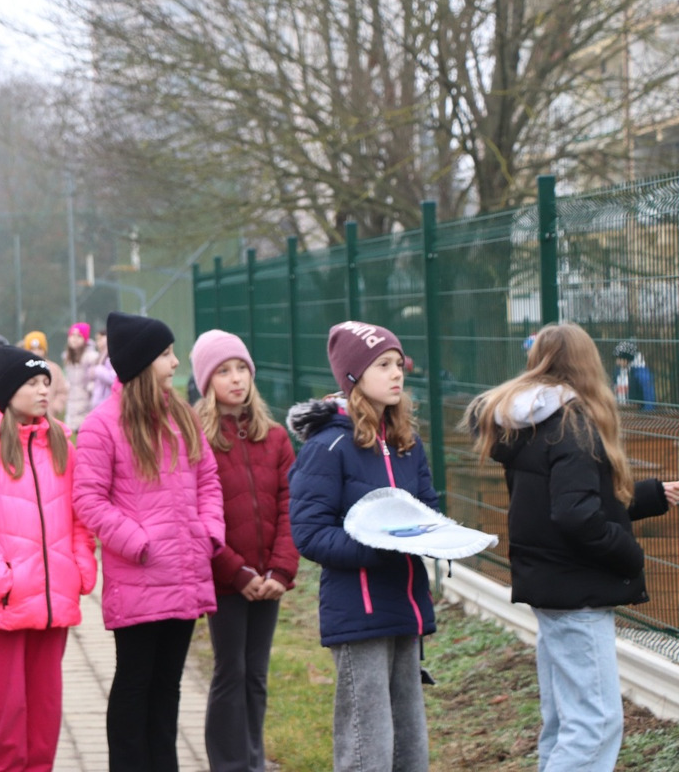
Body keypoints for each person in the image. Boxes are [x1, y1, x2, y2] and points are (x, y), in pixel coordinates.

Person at [465, 322, 679, 772]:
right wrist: (629, 553)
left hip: (552, 585)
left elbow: (568, 503)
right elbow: (576, 515)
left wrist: (654, 494)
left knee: (564, 722)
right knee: (596, 724)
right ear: (587, 363)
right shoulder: (573, 424)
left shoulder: (530, 424)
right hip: (577, 592)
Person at [73, 311, 225, 772]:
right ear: (141, 363)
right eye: (165, 354)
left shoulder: (182, 415)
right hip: (139, 578)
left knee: (169, 686)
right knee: (135, 684)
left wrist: (209, 532)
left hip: (184, 573)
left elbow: (209, 479)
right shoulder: (103, 425)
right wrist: (138, 542)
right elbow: (88, 499)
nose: (176, 363)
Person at [286, 320, 437, 772]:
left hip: (406, 606)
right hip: (359, 611)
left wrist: (435, 533)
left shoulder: (409, 444)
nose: (397, 373)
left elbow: (427, 508)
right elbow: (310, 533)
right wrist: (377, 547)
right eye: (383, 365)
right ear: (353, 377)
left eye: (398, 364)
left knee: (410, 745)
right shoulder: (328, 447)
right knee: (366, 746)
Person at [0, 344, 99, 771]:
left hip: (55, 600)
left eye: (45, 383)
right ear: (7, 390)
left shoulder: (61, 444)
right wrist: (3, 581)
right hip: (8, 602)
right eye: (32, 383)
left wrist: (78, 568)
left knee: (45, 713)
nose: (42, 392)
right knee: (6, 712)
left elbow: (78, 518)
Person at [190, 329, 298, 772]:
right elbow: (197, 514)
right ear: (206, 381)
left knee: (256, 674)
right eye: (223, 371)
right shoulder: (198, 439)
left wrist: (280, 571)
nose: (236, 379)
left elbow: (293, 506)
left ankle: (254, 758)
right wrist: (237, 573)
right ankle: (228, 763)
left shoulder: (274, 438)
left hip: (269, 580)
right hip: (228, 581)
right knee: (229, 671)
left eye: (241, 369)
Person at [23, 330, 69, 422]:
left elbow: (62, 392)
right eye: (32, 349)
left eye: (39, 349)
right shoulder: (22, 369)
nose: (36, 352)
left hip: (49, 417)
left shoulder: (54, 369)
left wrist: (55, 407)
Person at [63, 322, 101, 430]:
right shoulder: (68, 358)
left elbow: (94, 382)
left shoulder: (91, 358)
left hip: (87, 403)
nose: (74, 339)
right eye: (72, 335)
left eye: (79, 336)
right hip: (72, 402)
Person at [613, 340, 656, 412]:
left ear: (628, 359)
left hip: (638, 415)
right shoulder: (619, 371)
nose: (617, 362)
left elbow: (649, 399)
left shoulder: (642, 374)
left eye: (620, 359)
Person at [91, 329, 116, 410]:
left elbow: (113, 378)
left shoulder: (112, 357)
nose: (99, 342)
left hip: (108, 403)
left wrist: (97, 370)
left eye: (101, 338)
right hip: (98, 403)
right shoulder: (100, 357)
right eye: (97, 339)